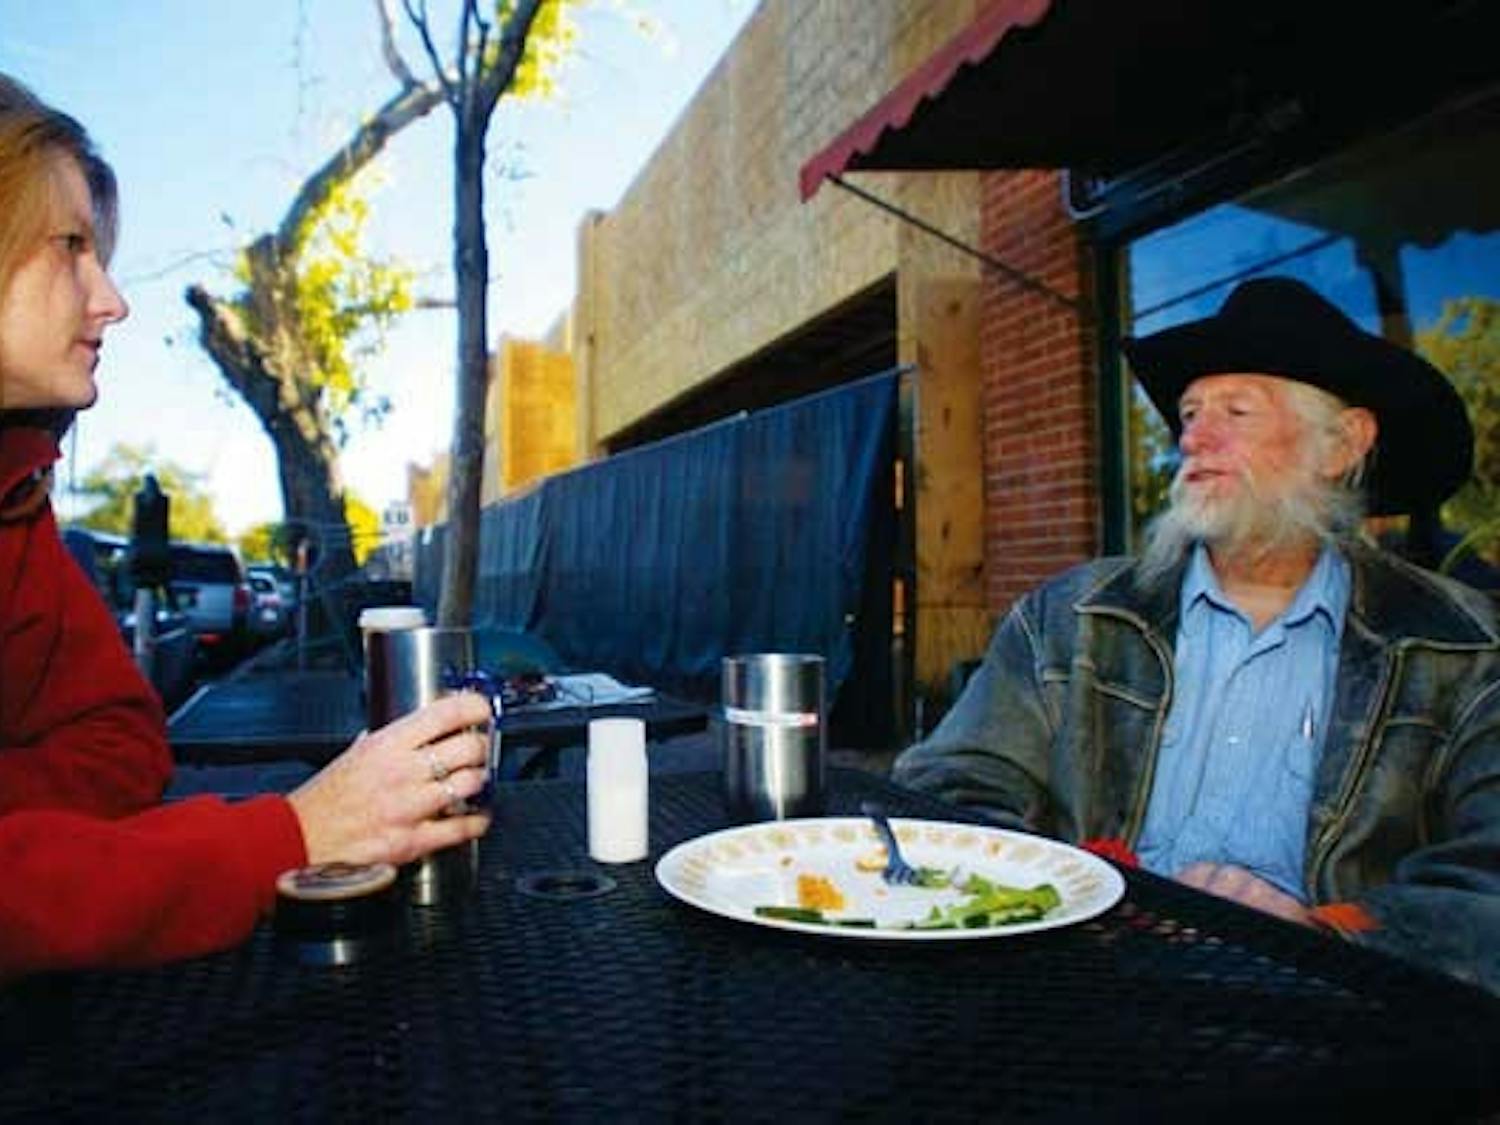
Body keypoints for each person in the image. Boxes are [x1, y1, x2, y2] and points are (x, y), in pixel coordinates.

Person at [0, 73, 492, 976]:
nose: (112, 299)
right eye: (70, 246)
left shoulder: (16, 502)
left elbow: (124, 739)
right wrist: (291, 834)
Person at [893, 276, 1500, 994]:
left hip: (1333, 1019)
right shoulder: (1070, 618)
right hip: (1083, 989)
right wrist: (1049, 893)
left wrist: (1328, 930)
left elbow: (1483, 881)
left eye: (1235, 411)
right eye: (1188, 413)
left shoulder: (1461, 649)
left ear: (1342, 444)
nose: (1191, 437)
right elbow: (952, 788)